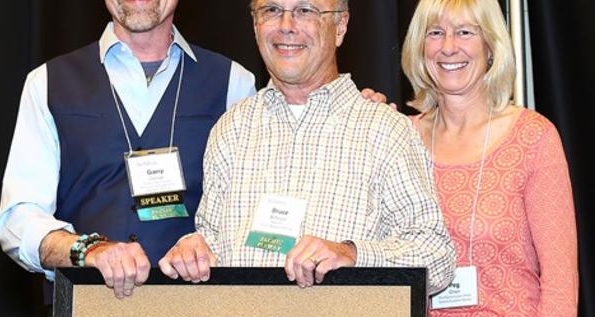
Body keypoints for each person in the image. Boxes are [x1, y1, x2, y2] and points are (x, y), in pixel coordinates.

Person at [0, 1, 257, 317]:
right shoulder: (47, 83)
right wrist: (85, 248)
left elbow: (255, 208)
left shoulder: (235, 82)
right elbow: (17, 216)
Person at [158, 0, 456, 294]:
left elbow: (436, 256)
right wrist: (193, 251)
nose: (286, 27)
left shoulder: (385, 130)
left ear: (340, 26)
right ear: (255, 25)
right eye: (272, 11)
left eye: (305, 11)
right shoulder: (232, 128)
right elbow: (211, 241)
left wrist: (353, 256)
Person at [401, 0, 578, 317]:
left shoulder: (533, 138)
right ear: (419, 49)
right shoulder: (395, 138)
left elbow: (562, 276)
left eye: (465, 33)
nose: (449, 47)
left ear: (492, 48)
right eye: (434, 33)